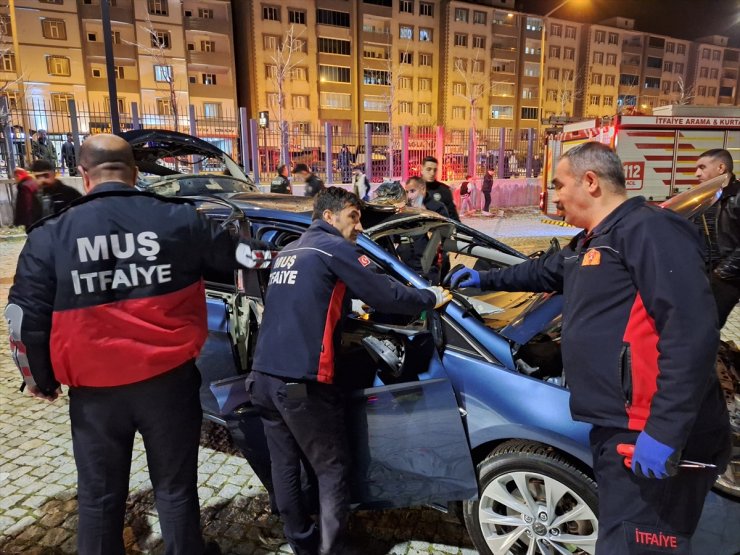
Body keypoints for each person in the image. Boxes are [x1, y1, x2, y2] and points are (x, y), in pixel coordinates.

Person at [450, 142, 730, 554]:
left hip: (648, 429)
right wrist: (484, 280)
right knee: (622, 532)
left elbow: (691, 331)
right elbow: (546, 271)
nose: (557, 195)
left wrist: (666, 431)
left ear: (591, 182)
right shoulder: (595, 240)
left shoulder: (648, 229)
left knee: (639, 544)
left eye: (560, 184)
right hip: (616, 424)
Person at [5, 134, 275, 555]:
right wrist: (297, 251)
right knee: (175, 488)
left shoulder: (51, 234)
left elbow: (23, 320)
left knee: (98, 497)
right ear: (134, 172)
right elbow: (247, 257)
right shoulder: (180, 220)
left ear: (83, 175)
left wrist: (39, 379)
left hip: (95, 395)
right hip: (168, 384)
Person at [247, 187, 451, 555]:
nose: (359, 227)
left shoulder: (290, 252)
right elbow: (385, 294)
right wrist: (429, 297)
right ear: (329, 216)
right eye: (353, 217)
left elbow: (306, 303)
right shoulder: (333, 248)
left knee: (285, 463)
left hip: (263, 376)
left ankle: (301, 541)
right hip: (301, 382)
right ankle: (333, 548)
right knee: (331, 468)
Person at [695, 148, 740, 328]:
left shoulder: (736, 197)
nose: (697, 173)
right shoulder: (712, 196)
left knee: (706, 325)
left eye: (702, 167)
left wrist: (722, 274)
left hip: (728, 276)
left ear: (721, 168)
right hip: (713, 272)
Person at [420, 156, 459, 221]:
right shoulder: (412, 189)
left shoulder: (444, 190)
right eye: (429, 169)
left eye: (435, 170)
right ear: (422, 169)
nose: (432, 173)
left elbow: (454, 217)